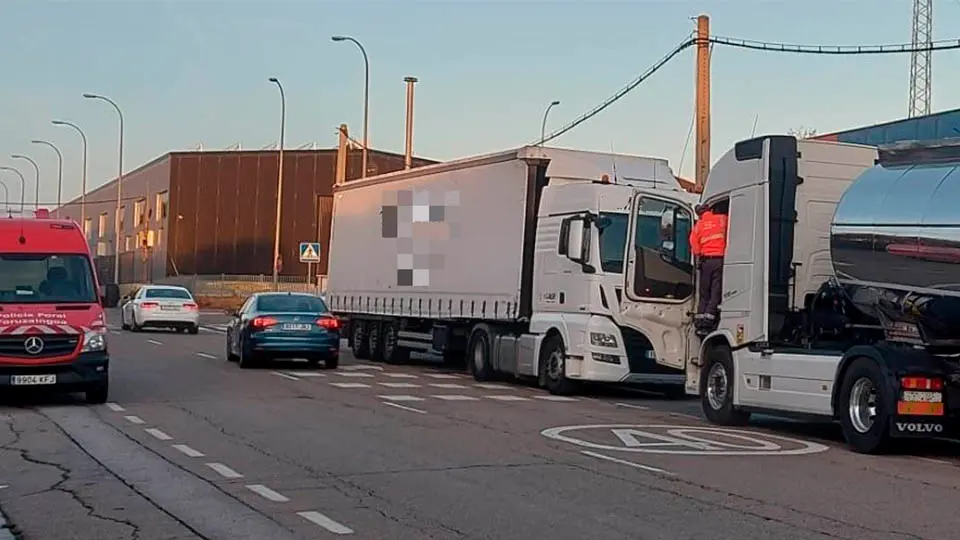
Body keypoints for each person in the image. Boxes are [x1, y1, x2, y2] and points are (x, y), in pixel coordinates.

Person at [689, 201, 728, 330]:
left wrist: (698, 254)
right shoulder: (721, 219)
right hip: (720, 260)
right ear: (710, 210)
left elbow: (693, 241)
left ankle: (700, 319)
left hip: (706, 261)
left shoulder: (699, 225)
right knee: (716, 290)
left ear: (700, 214)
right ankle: (710, 317)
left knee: (704, 291)